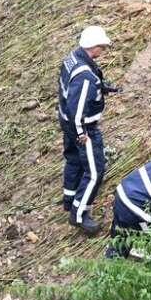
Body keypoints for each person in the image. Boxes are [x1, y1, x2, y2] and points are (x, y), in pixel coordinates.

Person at [57, 25, 114, 235]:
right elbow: (78, 107)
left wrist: (100, 87)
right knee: (95, 171)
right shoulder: (85, 77)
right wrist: (82, 133)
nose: (103, 50)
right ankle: (79, 214)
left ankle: (70, 199)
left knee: (74, 161)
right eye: (102, 47)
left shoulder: (72, 58)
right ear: (93, 47)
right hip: (83, 128)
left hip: (66, 122)